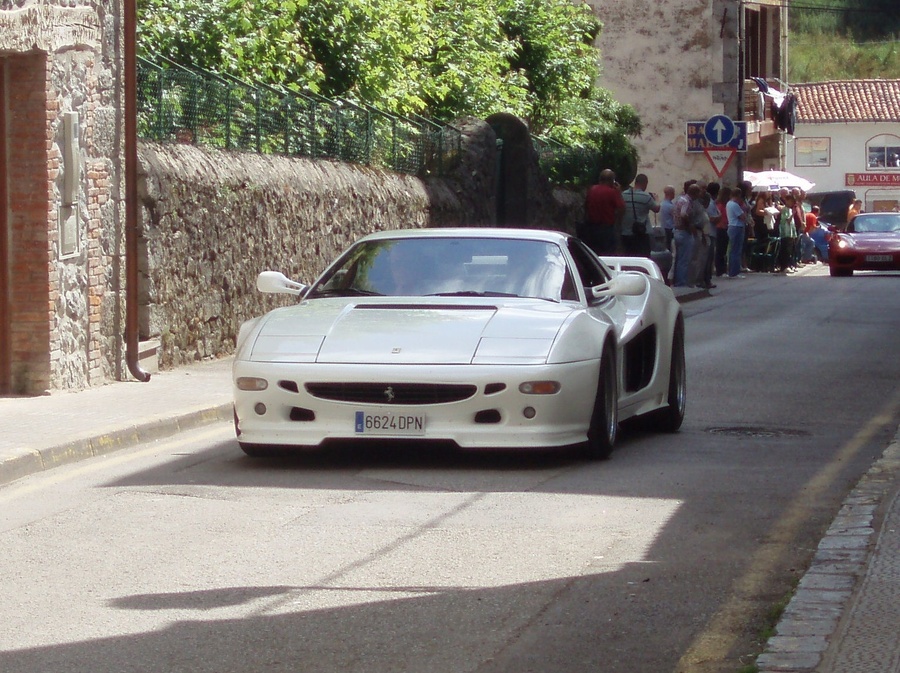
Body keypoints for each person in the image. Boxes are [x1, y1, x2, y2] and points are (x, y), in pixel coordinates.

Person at [582, 169, 625, 255]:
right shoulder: (613, 192)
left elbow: (586, 206)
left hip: (591, 228)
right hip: (606, 229)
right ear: (612, 181)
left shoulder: (591, 190)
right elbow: (622, 208)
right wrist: (619, 192)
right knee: (608, 254)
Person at [620, 174, 660, 258]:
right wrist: (656, 200)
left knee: (628, 258)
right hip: (641, 234)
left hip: (626, 233)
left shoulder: (623, 195)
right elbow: (656, 209)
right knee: (642, 258)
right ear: (645, 183)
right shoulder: (646, 196)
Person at [673, 183, 700, 287]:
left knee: (679, 258)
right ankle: (682, 282)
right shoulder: (687, 201)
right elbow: (684, 214)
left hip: (677, 230)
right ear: (695, 193)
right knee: (684, 259)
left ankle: (679, 280)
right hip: (684, 232)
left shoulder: (680, 199)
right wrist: (690, 226)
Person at [725, 187, 749, 278]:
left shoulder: (728, 204)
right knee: (736, 250)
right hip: (737, 227)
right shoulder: (734, 205)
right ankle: (734, 272)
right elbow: (742, 216)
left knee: (733, 250)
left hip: (732, 226)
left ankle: (732, 271)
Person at [777, 194, 798, 273]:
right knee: (785, 250)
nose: (792, 203)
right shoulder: (785, 209)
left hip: (791, 232)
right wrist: (793, 214)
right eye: (791, 201)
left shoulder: (789, 209)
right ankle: (784, 266)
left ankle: (789, 265)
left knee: (790, 250)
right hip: (785, 232)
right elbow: (787, 220)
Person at [714, 185, 732, 277]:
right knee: (720, 250)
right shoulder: (720, 205)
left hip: (725, 227)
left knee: (723, 250)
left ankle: (723, 269)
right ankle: (720, 270)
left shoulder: (724, 204)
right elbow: (720, 216)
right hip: (721, 228)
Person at [659, 185, 677, 251]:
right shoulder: (670, 206)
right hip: (670, 230)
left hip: (663, 228)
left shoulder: (661, 204)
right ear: (671, 194)